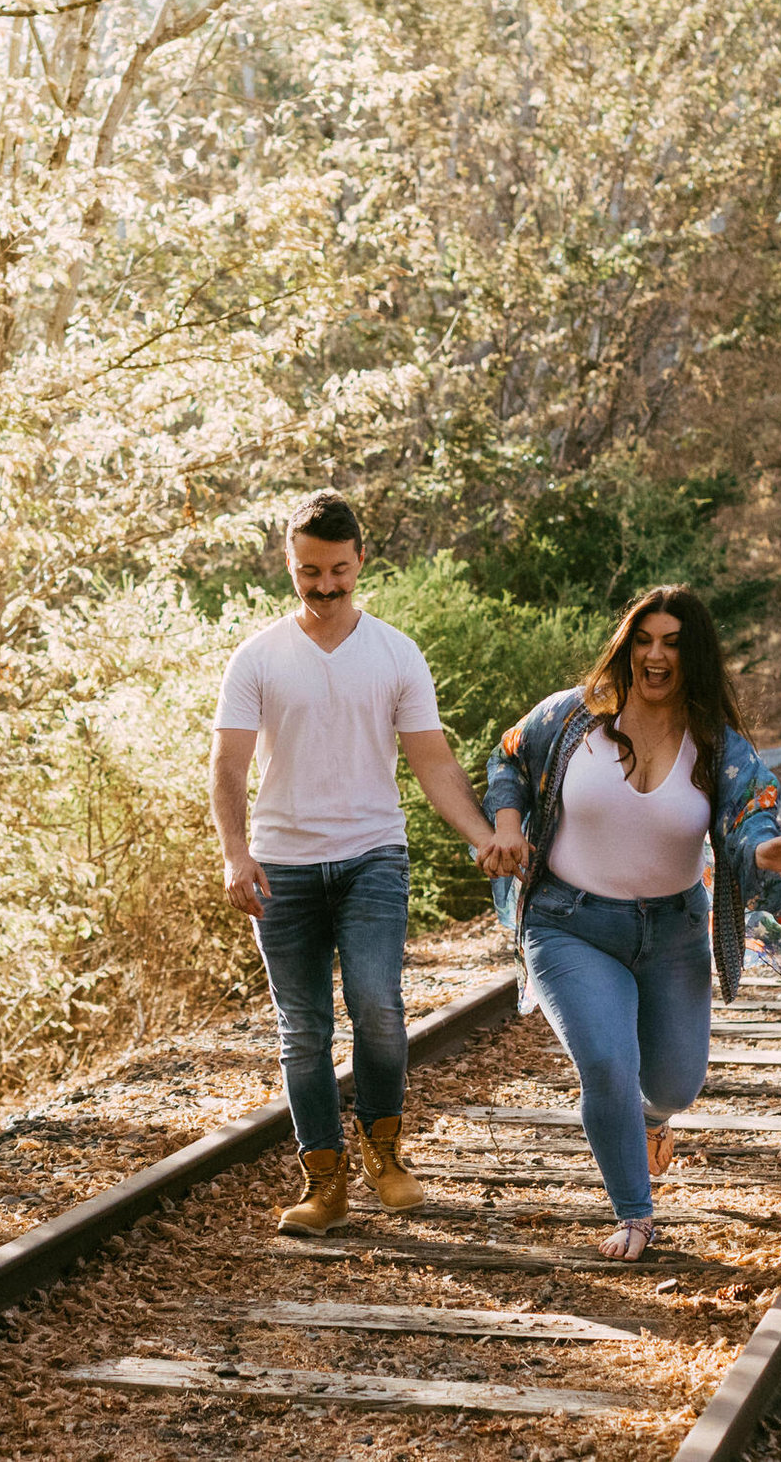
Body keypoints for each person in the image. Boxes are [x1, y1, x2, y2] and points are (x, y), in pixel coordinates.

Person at [480, 585, 781, 1261]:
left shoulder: (717, 745)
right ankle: (635, 1213)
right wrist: (508, 825)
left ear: (692, 655)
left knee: (674, 1083)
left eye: (671, 641)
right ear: (627, 646)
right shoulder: (574, 717)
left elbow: (747, 819)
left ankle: (649, 1120)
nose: (656, 654)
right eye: (644, 639)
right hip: (568, 924)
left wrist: (763, 850)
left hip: (671, 932)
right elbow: (509, 756)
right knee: (607, 1063)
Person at [212, 490, 505, 1235]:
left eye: (338, 569)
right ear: (290, 563)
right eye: (309, 571)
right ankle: (325, 1181)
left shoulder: (395, 652)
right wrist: (236, 853)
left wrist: (479, 834)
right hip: (283, 867)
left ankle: (385, 1152)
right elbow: (227, 766)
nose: (324, 586)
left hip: (373, 853)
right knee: (303, 1029)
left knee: (377, 1004)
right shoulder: (259, 656)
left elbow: (433, 762)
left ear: (361, 560)